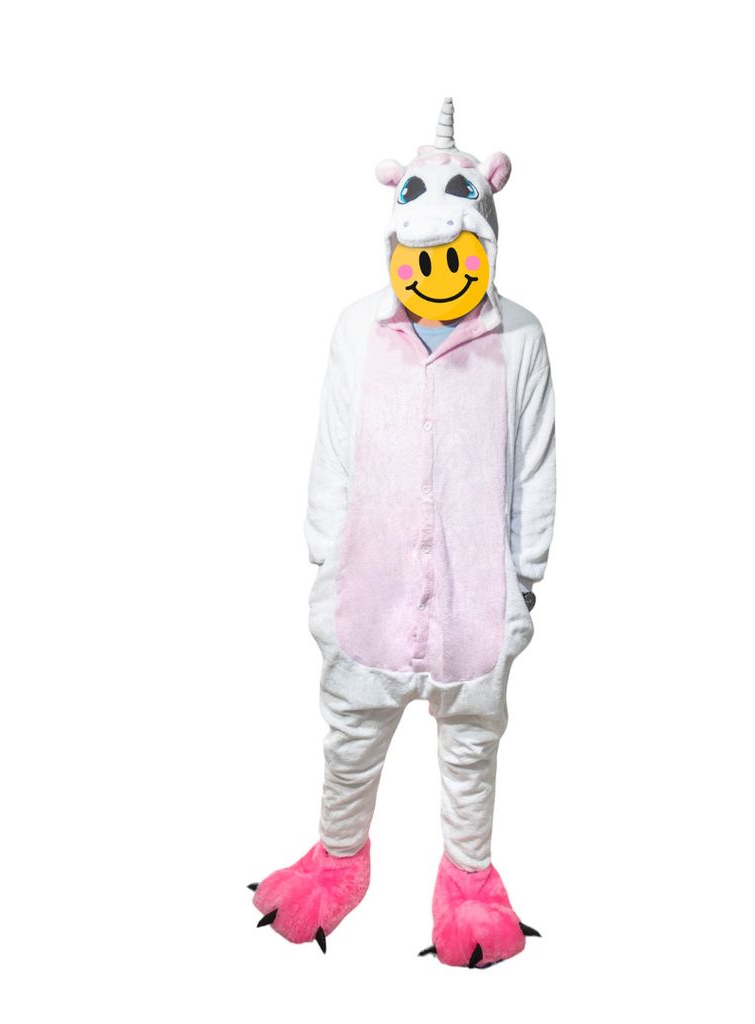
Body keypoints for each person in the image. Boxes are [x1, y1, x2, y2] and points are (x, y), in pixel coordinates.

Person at [251, 99, 556, 969]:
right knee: (350, 742)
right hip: (368, 590)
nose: (436, 266)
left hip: (475, 602)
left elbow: (534, 464)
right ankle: (338, 861)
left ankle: (469, 881)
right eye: (418, 251)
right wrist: (325, 558)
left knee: (471, 754)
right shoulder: (357, 327)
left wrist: (523, 581)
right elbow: (333, 445)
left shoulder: (521, 338)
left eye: (455, 249)